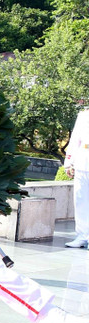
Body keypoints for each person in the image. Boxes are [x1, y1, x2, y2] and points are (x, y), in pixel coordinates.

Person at [64, 104, 89, 248]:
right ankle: (82, 235)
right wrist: (69, 162)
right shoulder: (83, 115)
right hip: (82, 161)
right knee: (80, 200)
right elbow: (74, 140)